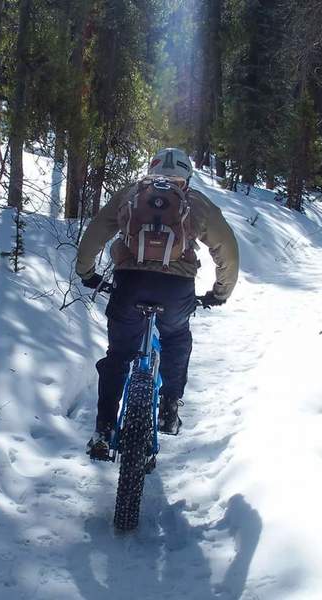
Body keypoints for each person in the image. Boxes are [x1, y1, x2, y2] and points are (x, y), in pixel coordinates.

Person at [76, 147, 239, 460]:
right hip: (176, 289)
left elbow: (96, 232)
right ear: (186, 176)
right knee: (176, 338)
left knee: (119, 355)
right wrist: (220, 293)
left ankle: (104, 429)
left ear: (151, 170)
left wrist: (87, 273)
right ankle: (168, 407)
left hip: (130, 285)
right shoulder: (196, 202)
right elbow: (227, 250)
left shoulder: (131, 195)